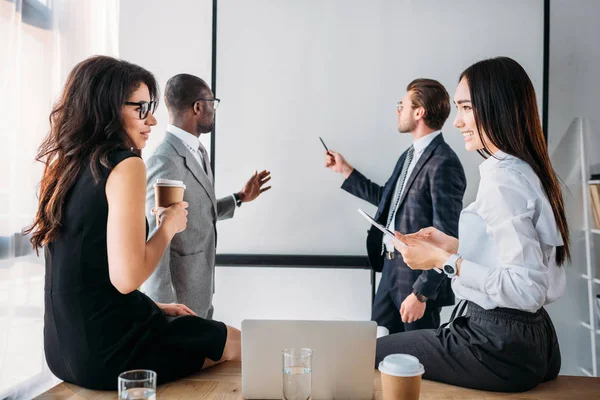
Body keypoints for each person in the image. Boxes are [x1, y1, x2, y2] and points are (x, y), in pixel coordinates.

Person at [25, 56, 241, 390]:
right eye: (140, 108)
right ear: (105, 108)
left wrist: (153, 307)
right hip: (109, 352)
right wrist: (168, 226)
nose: (152, 119)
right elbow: (126, 279)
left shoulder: (63, 167)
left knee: (195, 328)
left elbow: (86, 272)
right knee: (237, 343)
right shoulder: (125, 165)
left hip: (61, 351)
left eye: (150, 106)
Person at [377, 57, 569, 392]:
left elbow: (525, 288)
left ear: (494, 107)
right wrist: (451, 246)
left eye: (465, 107)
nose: (457, 121)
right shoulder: (523, 169)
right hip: (534, 338)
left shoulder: (502, 178)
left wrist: (443, 261)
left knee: (370, 354)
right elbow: (517, 258)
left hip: (497, 343)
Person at [325, 79, 466, 334]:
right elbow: (388, 200)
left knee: (418, 361)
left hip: (415, 280)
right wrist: (345, 170)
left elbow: (447, 238)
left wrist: (422, 294)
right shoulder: (409, 156)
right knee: (376, 350)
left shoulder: (444, 162)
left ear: (419, 112)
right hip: (389, 271)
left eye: (402, 105)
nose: (398, 110)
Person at [141, 73, 271, 318]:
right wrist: (164, 315)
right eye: (213, 103)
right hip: (179, 305)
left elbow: (198, 213)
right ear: (198, 107)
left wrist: (240, 197)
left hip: (199, 293)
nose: (214, 109)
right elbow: (156, 235)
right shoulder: (166, 160)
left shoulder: (198, 151)